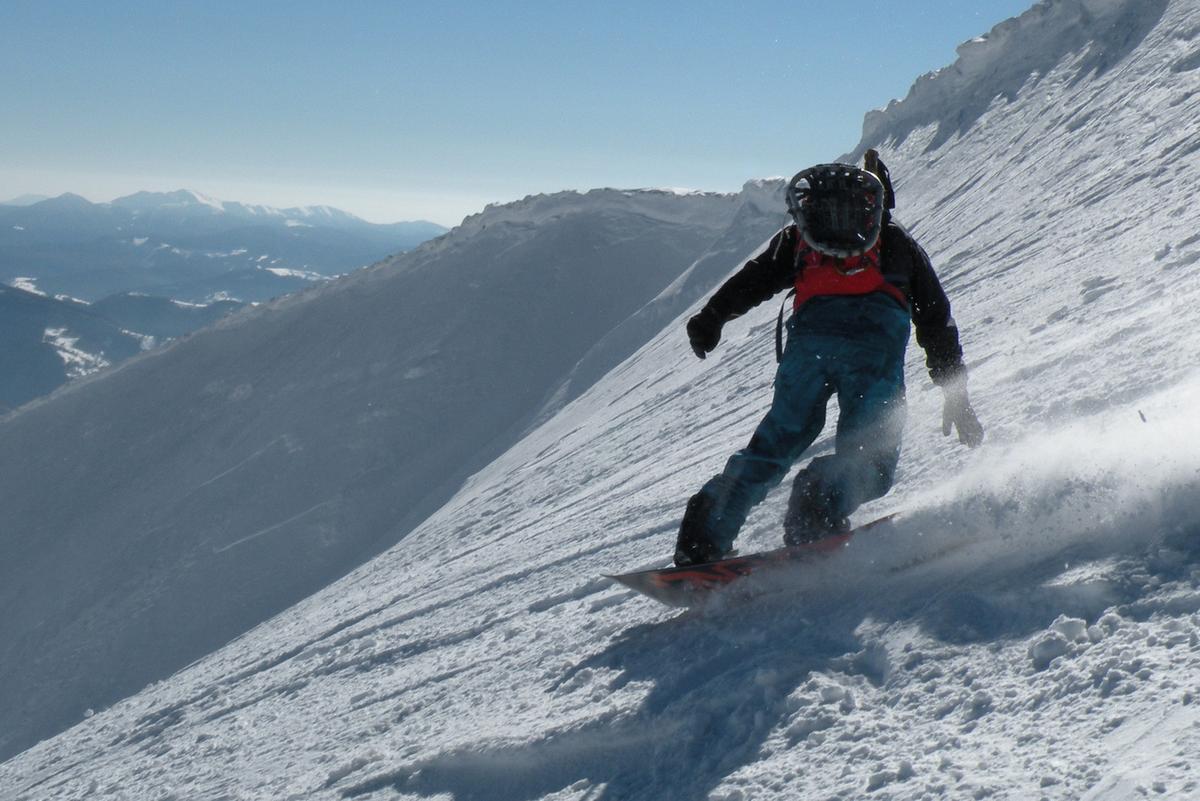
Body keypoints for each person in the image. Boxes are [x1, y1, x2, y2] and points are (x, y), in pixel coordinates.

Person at [674, 152, 983, 566]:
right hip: (872, 357)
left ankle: (704, 532)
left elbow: (755, 278)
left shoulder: (802, 240)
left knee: (777, 441)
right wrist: (954, 393)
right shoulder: (897, 245)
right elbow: (936, 322)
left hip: (809, 351)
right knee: (870, 457)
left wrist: (712, 317)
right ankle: (818, 501)